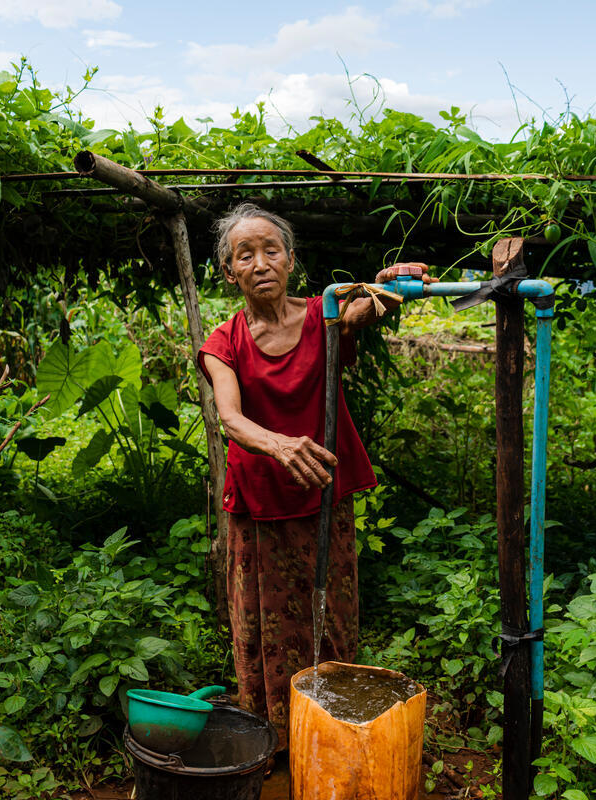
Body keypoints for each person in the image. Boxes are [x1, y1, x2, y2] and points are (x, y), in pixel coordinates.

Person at [196, 202, 432, 746]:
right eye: (245, 255)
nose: (260, 263)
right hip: (258, 502)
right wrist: (279, 445)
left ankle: (332, 733)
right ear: (229, 272)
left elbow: (363, 309)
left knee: (331, 615)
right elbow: (230, 418)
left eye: (271, 250)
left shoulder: (324, 313)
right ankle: (272, 738)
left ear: (290, 259)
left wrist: (390, 285)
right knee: (263, 622)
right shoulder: (223, 341)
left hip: (322, 493)